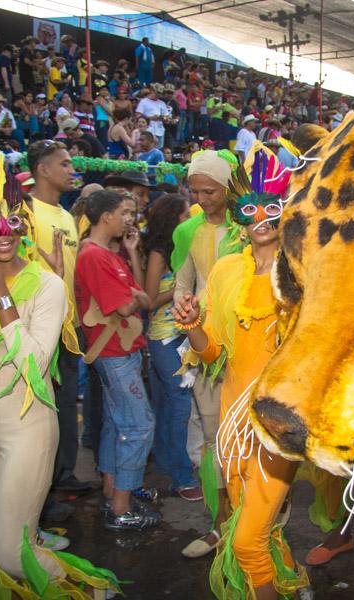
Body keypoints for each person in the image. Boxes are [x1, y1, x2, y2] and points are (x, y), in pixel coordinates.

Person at [0, 150, 121, 596]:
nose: (3, 234)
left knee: (15, 552)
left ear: (24, 224)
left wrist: (1, 298)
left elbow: (33, 363)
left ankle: (91, 590)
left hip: (27, 426)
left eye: (13, 221)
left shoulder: (47, 285)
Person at [173, 145, 309, 599]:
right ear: (238, 215)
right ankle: (285, 585)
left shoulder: (305, 274)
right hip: (233, 422)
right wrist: (191, 324)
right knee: (257, 529)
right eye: (251, 208)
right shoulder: (227, 271)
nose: (263, 218)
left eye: (274, 206)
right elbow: (212, 353)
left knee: (248, 540)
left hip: (275, 421)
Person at [74, 190, 161, 530]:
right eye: (124, 212)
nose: (130, 218)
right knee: (138, 426)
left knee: (116, 424)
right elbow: (127, 305)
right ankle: (122, 508)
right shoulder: (94, 256)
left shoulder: (108, 254)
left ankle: (114, 490)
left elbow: (142, 295)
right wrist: (137, 298)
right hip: (114, 353)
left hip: (119, 351)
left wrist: (130, 253)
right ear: (105, 216)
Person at [173, 150, 244, 558]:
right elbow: (184, 280)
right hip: (204, 348)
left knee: (250, 437)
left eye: (211, 191)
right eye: (196, 191)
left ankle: (259, 525)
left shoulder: (251, 225)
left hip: (249, 346)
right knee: (214, 438)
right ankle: (221, 526)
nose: (203, 198)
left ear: (228, 188)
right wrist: (186, 307)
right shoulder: (188, 231)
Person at [26, 141, 89, 496]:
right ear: (43, 169)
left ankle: (63, 476)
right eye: (64, 164)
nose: (71, 170)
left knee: (64, 405)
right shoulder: (24, 213)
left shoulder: (66, 216)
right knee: (40, 411)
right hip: (37, 328)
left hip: (69, 328)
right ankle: (40, 490)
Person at [142, 194, 200, 501]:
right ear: (172, 220)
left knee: (167, 404)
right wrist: (182, 286)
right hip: (165, 338)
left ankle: (167, 463)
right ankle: (182, 477)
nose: (190, 218)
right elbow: (150, 300)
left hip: (181, 335)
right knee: (178, 405)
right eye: (185, 214)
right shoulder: (158, 253)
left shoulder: (181, 248)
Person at [135, 85, 171, 149]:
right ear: (153, 91)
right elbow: (138, 115)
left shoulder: (162, 103)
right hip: (148, 129)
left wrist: (163, 118)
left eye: (161, 93)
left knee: (159, 149)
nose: (159, 95)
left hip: (160, 130)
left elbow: (167, 117)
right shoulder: (144, 101)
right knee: (148, 148)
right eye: (158, 92)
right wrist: (150, 118)